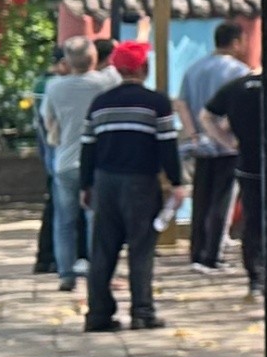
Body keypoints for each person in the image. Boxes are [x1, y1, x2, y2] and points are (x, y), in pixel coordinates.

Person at [76, 39, 184, 333]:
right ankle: (142, 312)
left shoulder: (99, 103)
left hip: (104, 182)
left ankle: (98, 314)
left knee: (103, 250)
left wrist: (86, 185)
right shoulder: (157, 103)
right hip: (140, 183)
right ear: (144, 68)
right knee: (141, 247)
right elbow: (167, 146)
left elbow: (87, 148)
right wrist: (177, 182)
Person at [37, 42, 114, 295]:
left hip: (65, 160)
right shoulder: (105, 83)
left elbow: (48, 121)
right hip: (98, 160)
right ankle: (97, 270)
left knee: (64, 221)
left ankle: (66, 274)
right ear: (94, 57)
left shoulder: (54, 87)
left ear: (67, 61)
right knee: (95, 219)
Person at [182, 17, 257, 271]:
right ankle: (213, 254)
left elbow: (182, 104)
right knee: (222, 201)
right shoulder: (239, 73)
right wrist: (226, 135)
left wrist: (194, 134)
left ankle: (196, 251)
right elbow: (237, 109)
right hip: (227, 145)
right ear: (235, 42)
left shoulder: (194, 69)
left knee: (200, 199)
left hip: (200, 144)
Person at [208, 38, 267, 291]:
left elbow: (206, 115)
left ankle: (256, 275)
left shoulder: (237, 87)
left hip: (248, 161)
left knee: (252, 219)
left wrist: (228, 142)